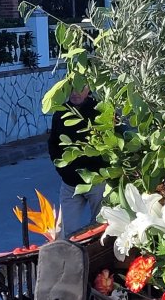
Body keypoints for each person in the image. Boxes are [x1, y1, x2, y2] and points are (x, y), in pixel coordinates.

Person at [48, 86, 106, 237]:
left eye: (80, 88)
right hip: (70, 184)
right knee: (67, 232)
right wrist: (63, 171)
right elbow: (53, 145)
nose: (75, 92)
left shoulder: (100, 110)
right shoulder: (60, 113)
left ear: (89, 89)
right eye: (72, 88)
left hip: (96, 182)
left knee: (100, 229)